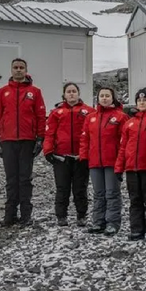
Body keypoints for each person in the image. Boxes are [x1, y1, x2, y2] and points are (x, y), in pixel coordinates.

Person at [0, 58, 46, 227]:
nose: (18, 70)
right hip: (7, 140)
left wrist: (40, 138)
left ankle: (26, 215)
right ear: (11, 70)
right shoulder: (2, 92)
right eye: (15, 67)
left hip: (27, 140)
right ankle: (9, 215)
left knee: (25, 179)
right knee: (11, 179)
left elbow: (40, 116)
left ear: (26, 70)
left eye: (21, 67)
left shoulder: (34, 92)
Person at [43, 82, 95, 227]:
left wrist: (89, 153)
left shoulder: (89, 112)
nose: (71, 94)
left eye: (74, 91)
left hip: (81, 157)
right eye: (68, 91)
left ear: (78, 94)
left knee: (80, 188)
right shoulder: (56, 112)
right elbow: (49, 133)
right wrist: (48, 151)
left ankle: (81, 215)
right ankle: (61, 216)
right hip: (61, 157)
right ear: (64, 95)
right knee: (62, 187)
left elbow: (93, 134)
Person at [80, 87, 127, 236]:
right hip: (95, 161)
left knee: (112, 193)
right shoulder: (91, 118)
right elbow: (85, 139)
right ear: (97, 98)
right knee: (98, 193)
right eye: (102, 96)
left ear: (113, 98)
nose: (105, 98)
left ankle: (112, 222)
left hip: (111, 161)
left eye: (107, 96)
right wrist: (83, 157)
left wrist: (121, 161)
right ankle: (98, 221)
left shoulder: (120, 117)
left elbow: (124, 141)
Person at [115, 88, 146, 241]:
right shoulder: (129, 123)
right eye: (139, 100)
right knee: (135, 200)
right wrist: (118, 168)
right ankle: (136, 229)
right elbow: (123, 147)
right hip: (131, 168)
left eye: (145, 100)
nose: (142, 103)